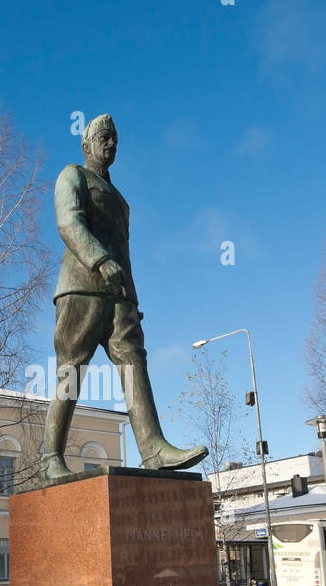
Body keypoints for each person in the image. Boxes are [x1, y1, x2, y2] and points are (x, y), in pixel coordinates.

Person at [40, 114, 207, 483]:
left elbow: (125, 252)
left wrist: (131, 298)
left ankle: (154, 449)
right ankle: (50, 456)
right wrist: (98, 259)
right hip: (81, 286)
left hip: (120, 297)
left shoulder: (120, 198)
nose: (111, 143)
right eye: (103, 137)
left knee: (134, 366)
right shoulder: (73, 175)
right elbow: (68, 223)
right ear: (86, 144)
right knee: (72, 370)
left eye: (114, 138)